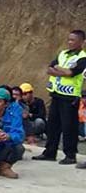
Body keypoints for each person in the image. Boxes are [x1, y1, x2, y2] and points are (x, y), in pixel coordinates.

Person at [35, 30, 86, 166]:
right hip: (56, 93)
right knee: (52, 125)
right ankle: (50, 152)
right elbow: (49, 69)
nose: (70, 42)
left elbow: (71, 73)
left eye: (73, 40)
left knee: (69, 127)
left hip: (70, 96)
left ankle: (70, 155)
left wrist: (59, 69)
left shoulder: (82, 57)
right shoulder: (62, 53)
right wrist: (62, 70)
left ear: (82, 42)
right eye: (69, 39)